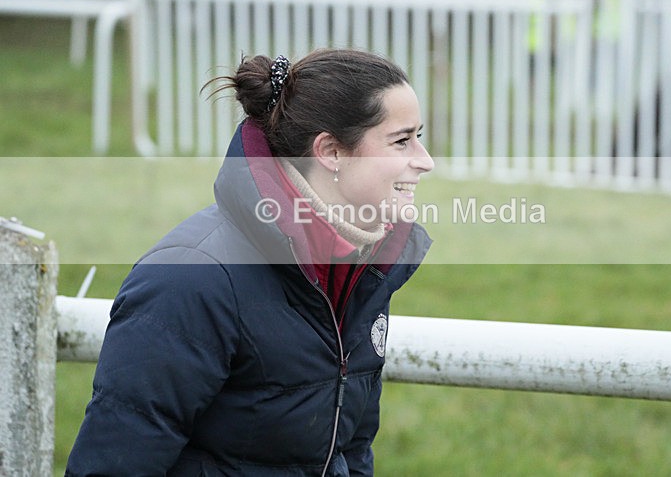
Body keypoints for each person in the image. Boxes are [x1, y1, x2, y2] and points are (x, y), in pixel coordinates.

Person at [66, 48, 435, 476]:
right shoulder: (190, 279)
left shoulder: (357, 266)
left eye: (418, 137)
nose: (425, 160)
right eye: (401, 140)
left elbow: (347, 450)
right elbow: (114, 462)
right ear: (332, 151)